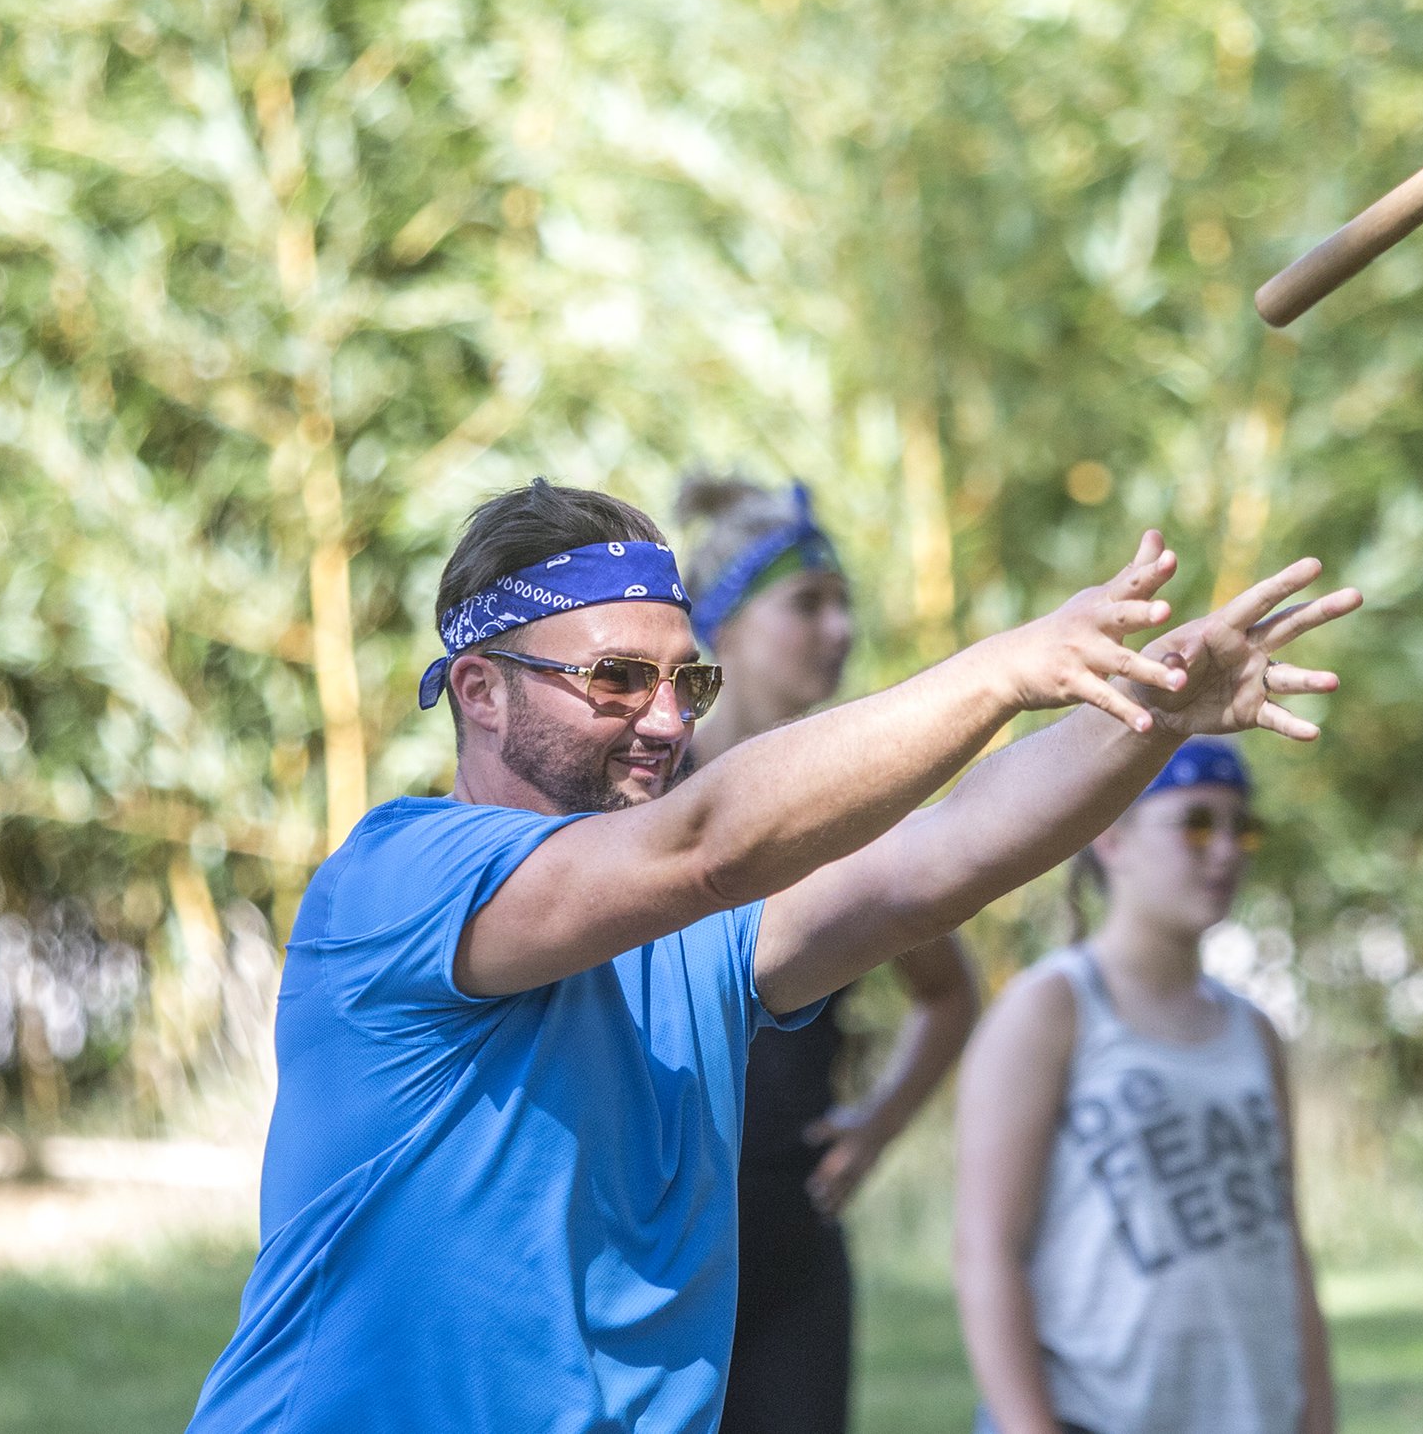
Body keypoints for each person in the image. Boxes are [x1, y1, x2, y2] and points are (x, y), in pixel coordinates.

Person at [188, 478, 1357, 1434]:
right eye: (615, 677)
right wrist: (1004, 667)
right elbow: (708, 843)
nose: (664, 717)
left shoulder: (697, 939)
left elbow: (937, 857)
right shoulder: (402, 876)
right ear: (481, 691)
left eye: (683, 678)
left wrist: (1144, 711)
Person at [678, 477, 980, 1434]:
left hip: (792, 1235)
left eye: (844, 603)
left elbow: (949, 994)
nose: (839, 628)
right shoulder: (640, 796)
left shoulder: (848, 813)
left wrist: (878, 1122)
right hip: (653, 1226)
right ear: (720, 622)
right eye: (808, 603)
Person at [954, 737, 1337, 1434]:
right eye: (1195, 822)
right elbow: (987, 1249)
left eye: (1240, 825)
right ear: (1112, 835)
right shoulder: (1052, 1008)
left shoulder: (1255, 1032)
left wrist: (1317, 1415)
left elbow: (1286, 1242)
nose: (1225, 850)